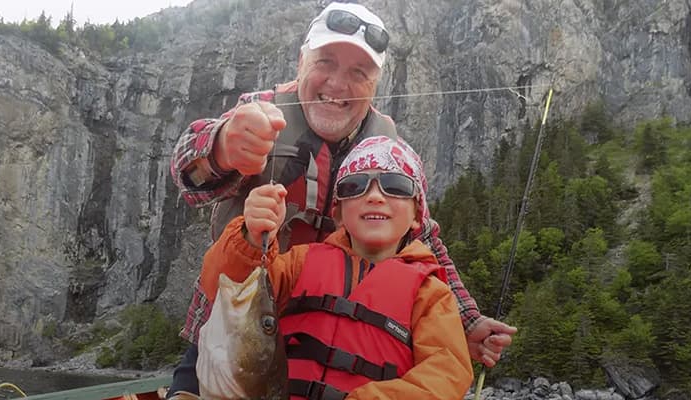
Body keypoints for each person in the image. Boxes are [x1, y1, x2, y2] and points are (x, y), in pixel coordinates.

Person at [168, 2, 516, 398]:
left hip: (333, 340)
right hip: (237, 324)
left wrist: (468, 321)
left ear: (374, 84)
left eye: (358, 72)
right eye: (326, 62)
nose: (338, 83)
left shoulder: (387, 152)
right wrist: (221, 148)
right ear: (301, 62)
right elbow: (187, 176)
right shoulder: (259, 110)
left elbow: (426, 242)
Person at [199, 136, 473, 399]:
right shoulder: (298, 263)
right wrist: (251, 236)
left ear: (417, 215)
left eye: (396, 186)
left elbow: (447, 374)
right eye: (354, 186)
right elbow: (225, 288)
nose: (375, 196)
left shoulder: (431, 294)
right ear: (338, 213)